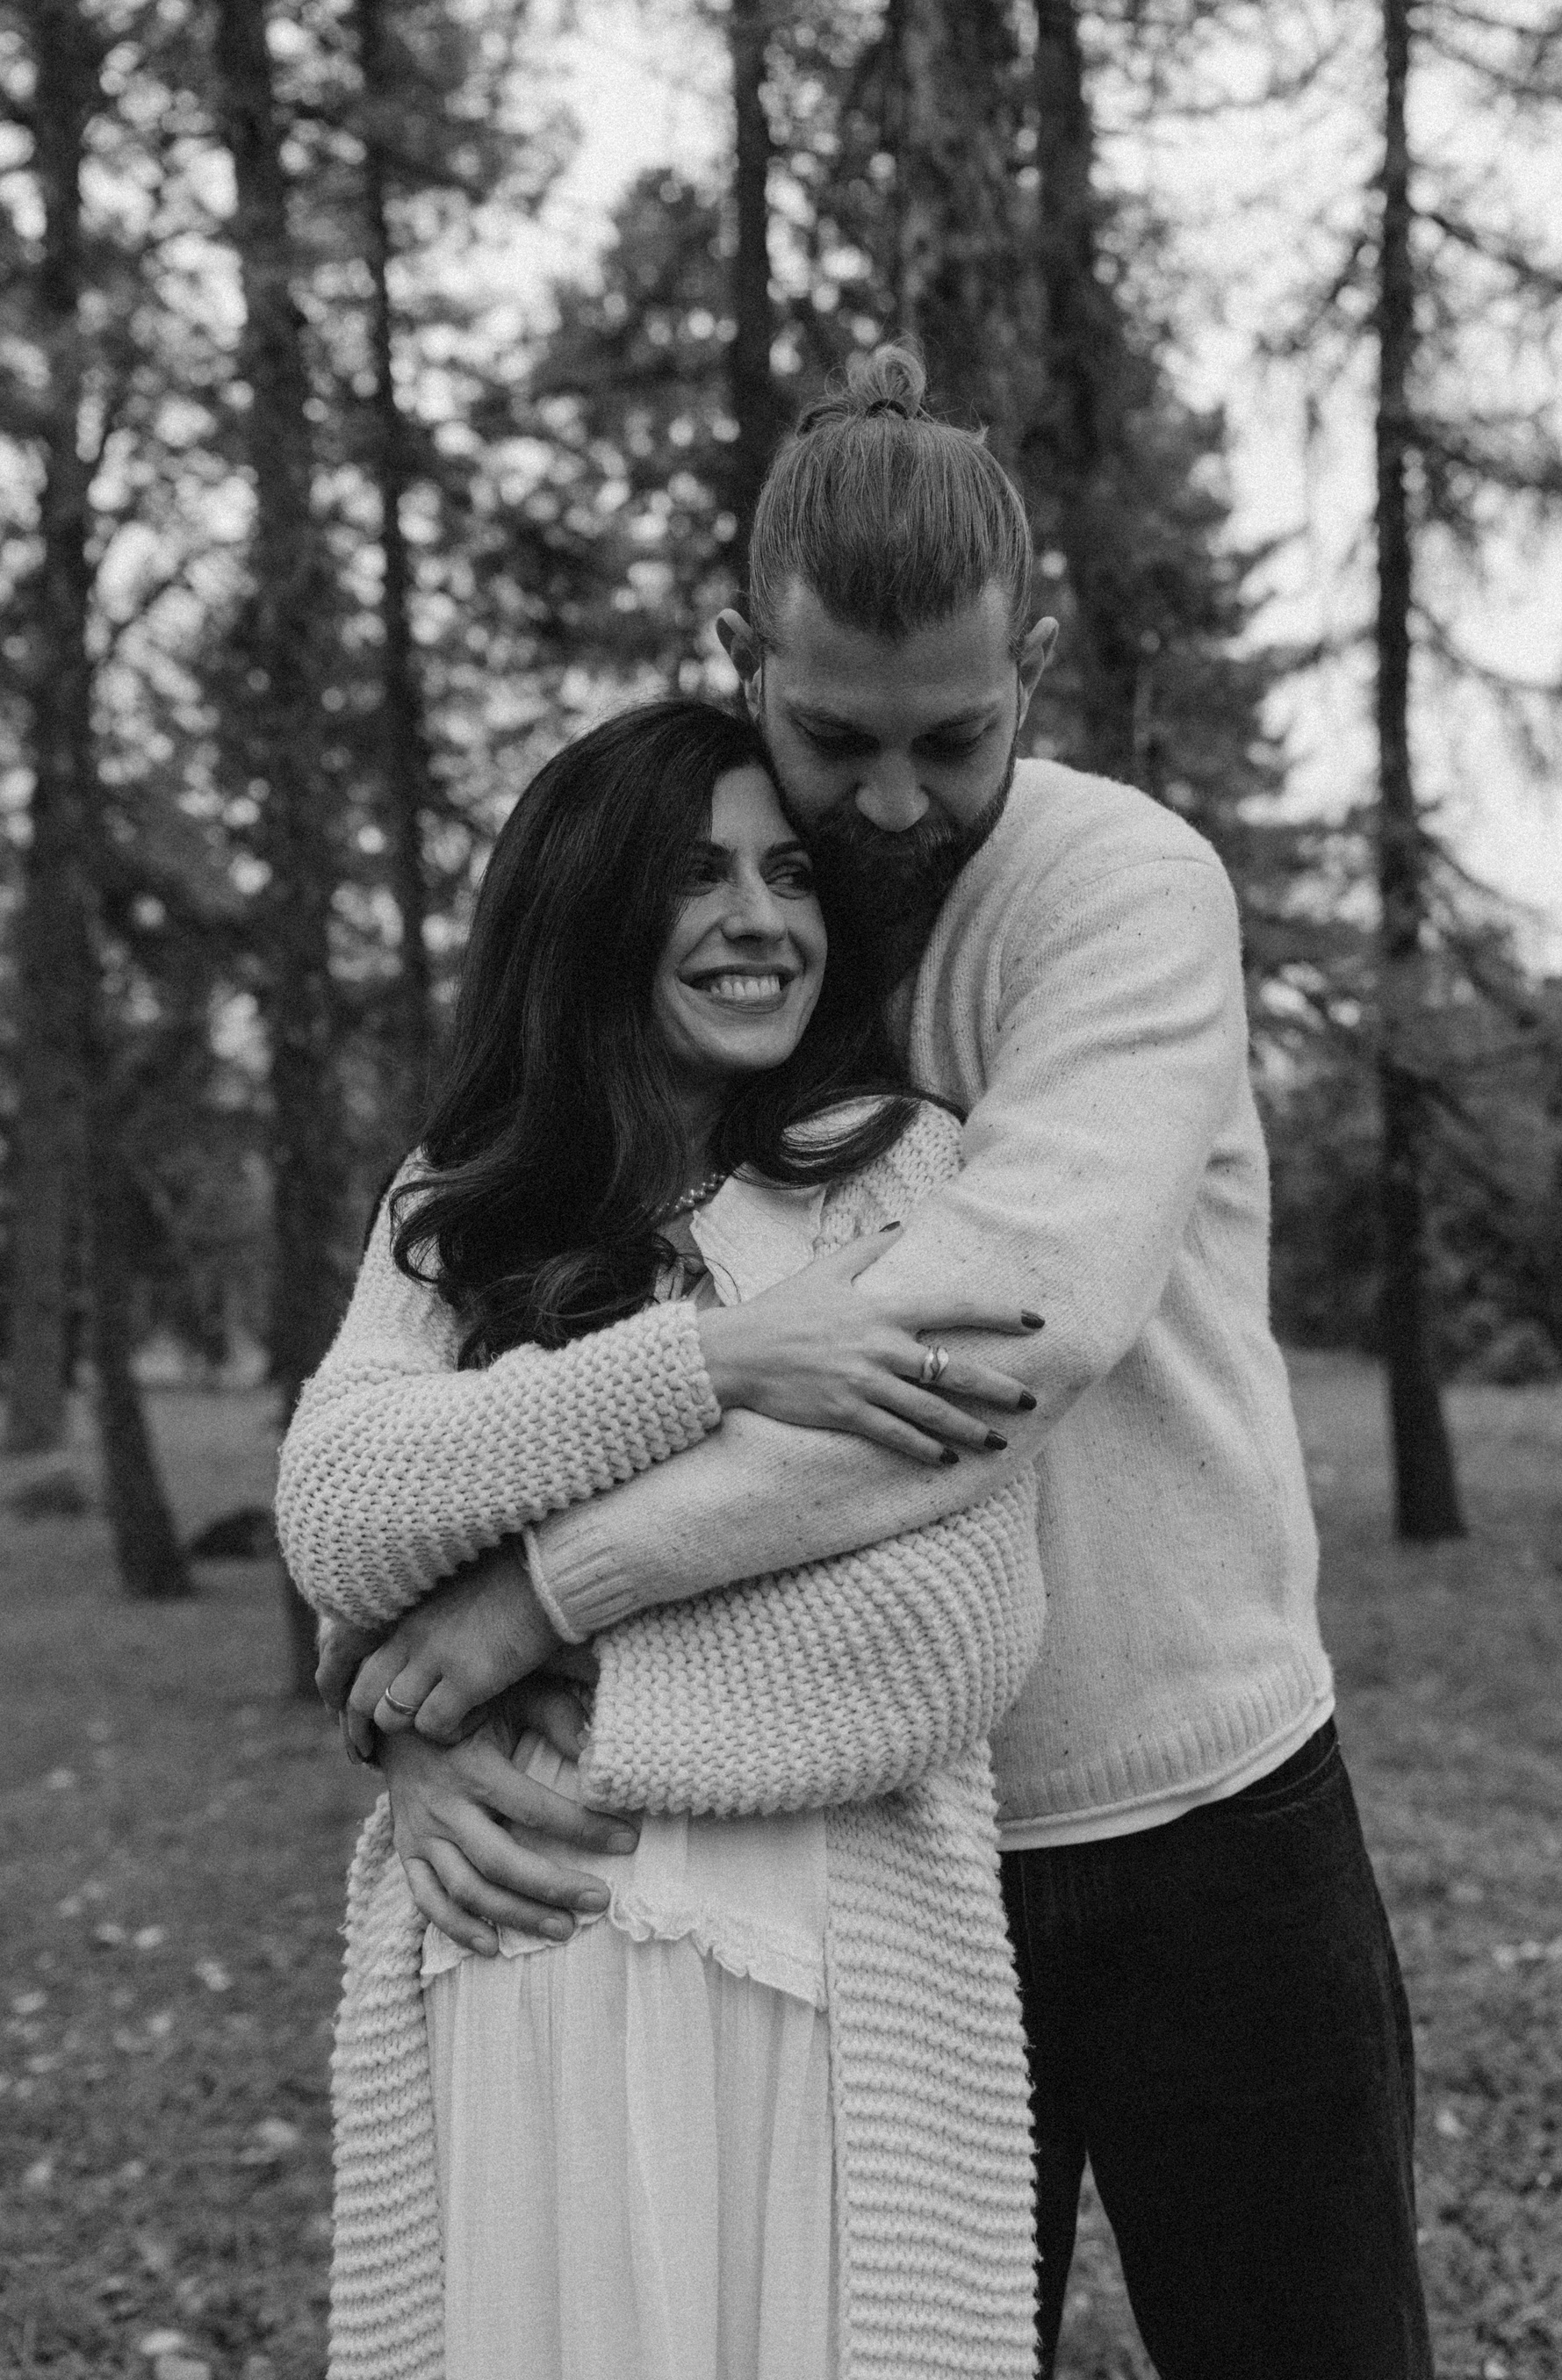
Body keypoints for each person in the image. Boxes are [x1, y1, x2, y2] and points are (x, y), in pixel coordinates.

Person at [339, 342, 1433, 2380]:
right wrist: (405, 1694)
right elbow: (491, 1340)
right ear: (741, 651)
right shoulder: (701, 930)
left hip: (1198, 1813)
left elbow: (979, 1357)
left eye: (958, 737)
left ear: (1040, 661)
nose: (897, 804)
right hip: (857, 1846)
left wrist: (543, 1601)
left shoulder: (1120, 892)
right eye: (837, 738)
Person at [277, 701, 1050, 2380]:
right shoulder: (463, 1200)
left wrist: (511, 1653)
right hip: (516, 1983)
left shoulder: (900, 1182)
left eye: (791, 875)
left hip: (822, 2000)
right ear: (592, 906)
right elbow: (341, 1509)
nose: (760, 920)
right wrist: (714, 1359)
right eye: (698, 875)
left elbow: (947, 1637)